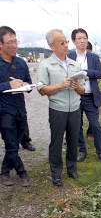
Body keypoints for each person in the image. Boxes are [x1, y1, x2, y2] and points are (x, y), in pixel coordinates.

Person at [37, 29, 85, 186]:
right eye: (61, 43)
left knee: (73, 141)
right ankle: (56, 174)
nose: (66, 45)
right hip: (58, 109)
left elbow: (83, 90)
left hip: (75, 109)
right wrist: (60, 85)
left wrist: (77, 86)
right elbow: (42, 90)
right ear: (51, 45)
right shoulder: (45, 65)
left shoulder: (75, 64)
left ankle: (72, 170)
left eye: (66, 42)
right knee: (56, 142)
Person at [68, 28, 101, 163]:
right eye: (79, 38)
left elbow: (100, 73)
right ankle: (81, 150)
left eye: (84, 38)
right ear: (73, 41)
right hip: (74, 96)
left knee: (95, 125)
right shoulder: (69, 57)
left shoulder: (94, 57)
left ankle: (100, 151)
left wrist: (84, 72)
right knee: (77, 125)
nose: (82, 41)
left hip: (90, 96)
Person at [0, 26, 31, 187]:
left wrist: (26, 84)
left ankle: (4, 172)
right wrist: (8, 84)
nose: (14, 45)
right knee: (11, 145)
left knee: (14, 144)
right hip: (4, 112)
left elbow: (29, 82)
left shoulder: (21, 63)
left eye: (16, 41)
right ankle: (22, 173)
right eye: (10, 42)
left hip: (20, 110)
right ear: (1, 43)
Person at [86, 41, 94, 141]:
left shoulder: (94, 60)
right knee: (75, 118)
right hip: (77, 92)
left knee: (92, 117)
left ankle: (91, 132)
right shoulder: (72, 59)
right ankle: (71, 136)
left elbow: (99, 77)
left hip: (91, 93)